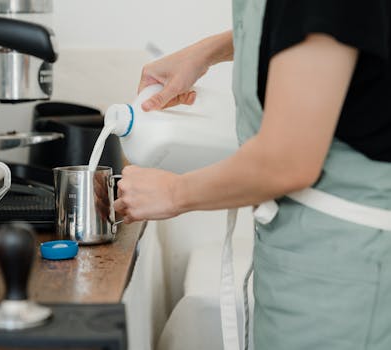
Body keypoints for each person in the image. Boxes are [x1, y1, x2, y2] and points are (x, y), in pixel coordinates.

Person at [113, 0, 391, 349]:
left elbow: (287, 161)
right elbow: (318, 25)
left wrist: (172, 193)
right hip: (308, 255)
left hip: (346, 273)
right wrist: (207, 52)